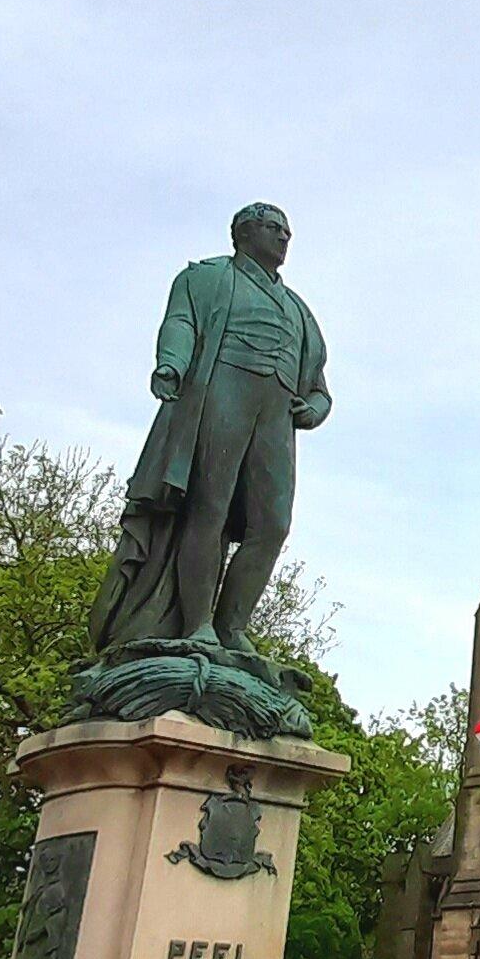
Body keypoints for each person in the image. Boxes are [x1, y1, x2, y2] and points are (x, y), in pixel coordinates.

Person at [90, 203, 331, 655]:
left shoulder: (299, 311)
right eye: (272, 228)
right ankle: (197, 624)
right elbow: (181, 322)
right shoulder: (205, 278)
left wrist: (316, 408)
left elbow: (318, 384)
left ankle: (231, 626)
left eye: (287, 231)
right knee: (209, 509)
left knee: (273, 524)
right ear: (242, 233)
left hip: (276, 414)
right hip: (222, 390)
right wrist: (171, 362)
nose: (283, 237)